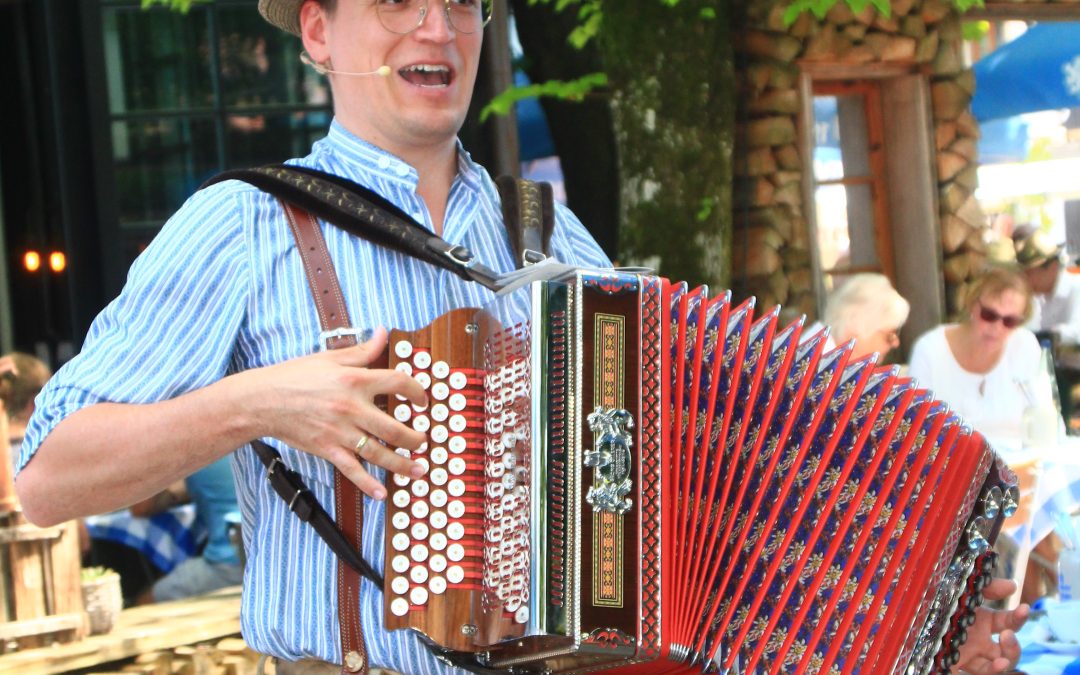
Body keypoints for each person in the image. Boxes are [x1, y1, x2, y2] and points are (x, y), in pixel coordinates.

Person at [11, 2, 1024, 674]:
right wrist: (262, 402)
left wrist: (925, 626)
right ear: (316, 29)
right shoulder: (242, 224)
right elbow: (48, 475)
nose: (436, 23)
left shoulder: (548, 234)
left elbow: (717, 505)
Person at [909, 265, 1053, 447]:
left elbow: (1043, 415)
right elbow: (916, 430)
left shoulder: (1025, 345)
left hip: (1016, 466)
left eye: (1010, 321)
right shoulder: (930, 350)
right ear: (971, 304)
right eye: (989, 315)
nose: (997, 328)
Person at [131, 457, 244, 603]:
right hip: (262, 556)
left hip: (230, 561)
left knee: (146, 601)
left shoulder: (196, 449)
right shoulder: (249, 444)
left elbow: (140, 507)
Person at [1016, 229, 1080, 421]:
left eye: (1030, 273)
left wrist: (1047, 335)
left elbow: (1076, 332)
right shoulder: (1040, 299)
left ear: (1051, 267)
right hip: (1061, 368)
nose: (1027, 280)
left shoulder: (1075, 288)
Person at [807, 273, 910, 361]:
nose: (896, 343)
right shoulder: (812, 369)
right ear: (855, 325)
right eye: (889, 336)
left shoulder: (829, 359)